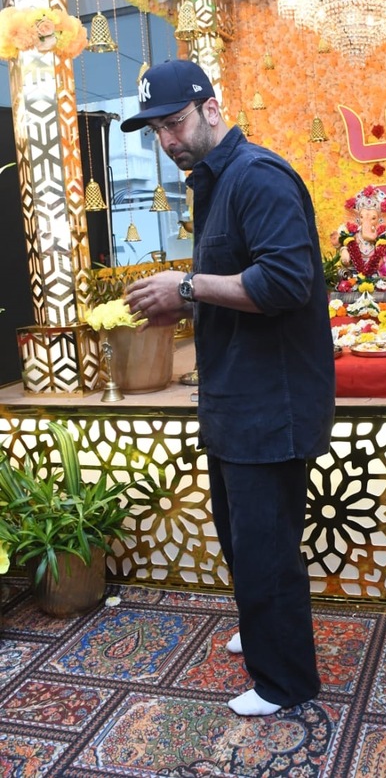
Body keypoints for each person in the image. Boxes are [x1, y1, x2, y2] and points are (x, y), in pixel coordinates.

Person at [120, 59, 335, 717]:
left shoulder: (257, 176)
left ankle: (284, 681)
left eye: (175, 123)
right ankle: (265, 630)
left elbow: (284, 282)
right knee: (242, 536)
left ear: (211, 109)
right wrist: (187, 302)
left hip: (271, 400)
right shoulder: (214, 182)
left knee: (266, 545)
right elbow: (233, 283)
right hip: (235, 395)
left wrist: (187, 287)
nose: (168, 141)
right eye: (156, 131)